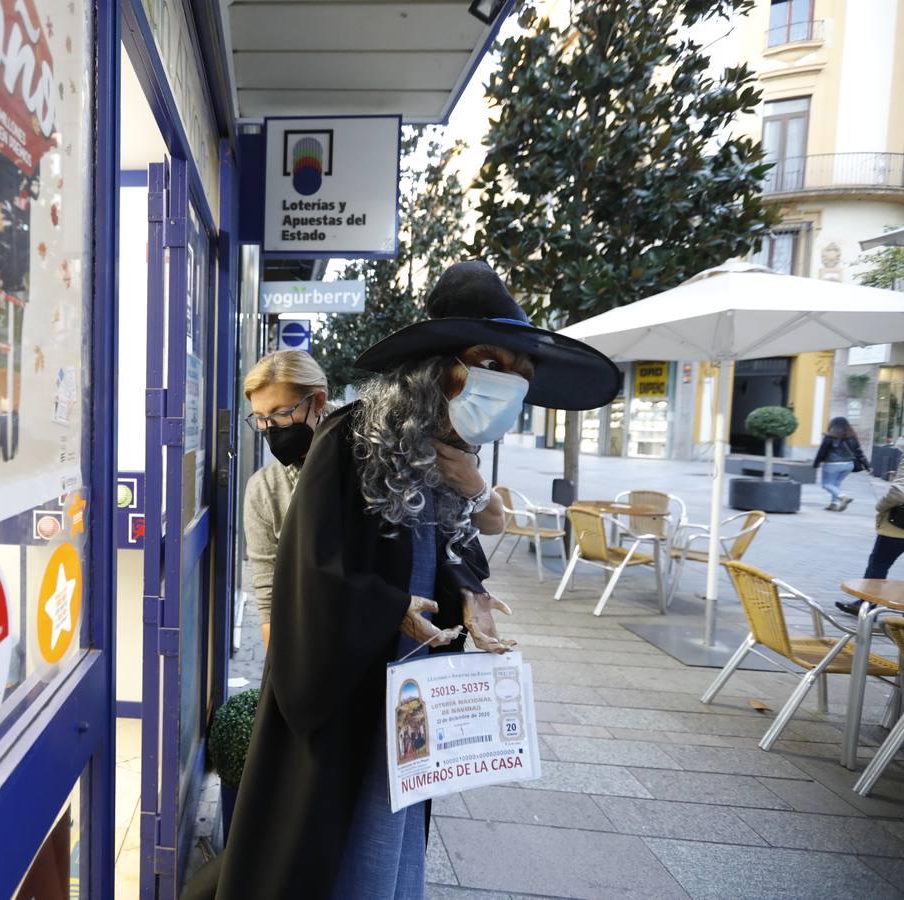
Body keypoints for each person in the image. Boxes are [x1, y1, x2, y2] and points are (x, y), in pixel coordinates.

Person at [188, 261, 621, 899]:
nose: (511, 385)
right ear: (444, 368)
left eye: (520, 374)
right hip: (350, 684)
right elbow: (310, 569)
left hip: (414, 681)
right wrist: (389, 606)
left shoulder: (451, 450)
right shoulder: (348, 439)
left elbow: (454, 542)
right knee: (337, 840)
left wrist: (471, 589)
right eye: (495, 364)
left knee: (394, 832)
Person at [241, 350, 329, 650]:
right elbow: (269, 600)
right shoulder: (264, 490)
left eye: (280, 413)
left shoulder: (369, 463)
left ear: (318, 402)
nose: (271, 428)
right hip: (310, 645)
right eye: (261, 419)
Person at [837, 436, 904, 617]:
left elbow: (899, 492)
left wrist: (880, 506)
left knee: (879, 563)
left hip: (899, 526)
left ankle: (866, 604)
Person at [813, 417, 869, 511]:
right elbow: (859, 451)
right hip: (848, 465)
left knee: (827, 484)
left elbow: (822, 451)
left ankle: (843, 497)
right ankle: (834, 504)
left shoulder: (829, 436)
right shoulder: (852, 436)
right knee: (836, 484)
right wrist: (867, 465)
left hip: (832, 464)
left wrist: (816, 463)